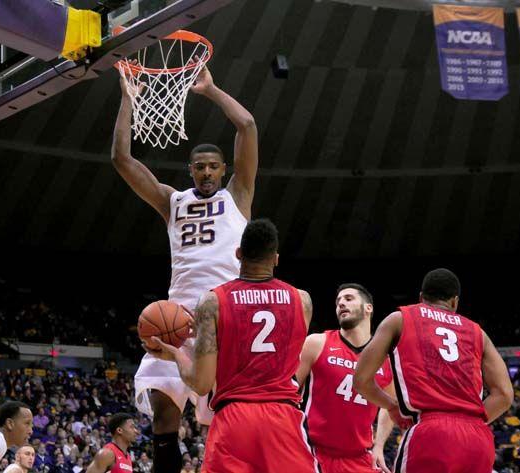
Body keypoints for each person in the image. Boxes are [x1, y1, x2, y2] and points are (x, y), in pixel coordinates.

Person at [113, 57, 257, 473]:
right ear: (189, 170)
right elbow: (122, 159)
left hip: (226, 317)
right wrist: (128, 100)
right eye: (200, 167)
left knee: (222, 423)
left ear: (224, 169)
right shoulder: (172, 201)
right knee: (163, 413)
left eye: (214, 166)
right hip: (176, 317)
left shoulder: (238, 195)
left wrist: (210, 90)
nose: (207, 172)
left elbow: (247, 126)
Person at [153, 219, 319, 472]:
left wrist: (176, 354)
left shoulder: (211, 302)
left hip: (234, 419)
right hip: (282, 418)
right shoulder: (302, 300)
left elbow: (202, 383)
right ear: (275, 258)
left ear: (238, 254)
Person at [353, 268, 513, 473]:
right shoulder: (478, 332)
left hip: (431, 432)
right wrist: (471, 423)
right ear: (454, 302)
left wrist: (392, 406)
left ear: (421, 298)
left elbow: (361, 379)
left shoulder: (400, 318)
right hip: (477, 439)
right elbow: (504, 394)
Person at [296, 283, 395, 473]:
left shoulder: (385, 361)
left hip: (359, 457)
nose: (341, 303)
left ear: (368, 308)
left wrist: (379, 445)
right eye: (338, 301)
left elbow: (390, 406)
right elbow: (288, 393)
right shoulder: (317, 343)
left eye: (348, 299)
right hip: (314, 453)